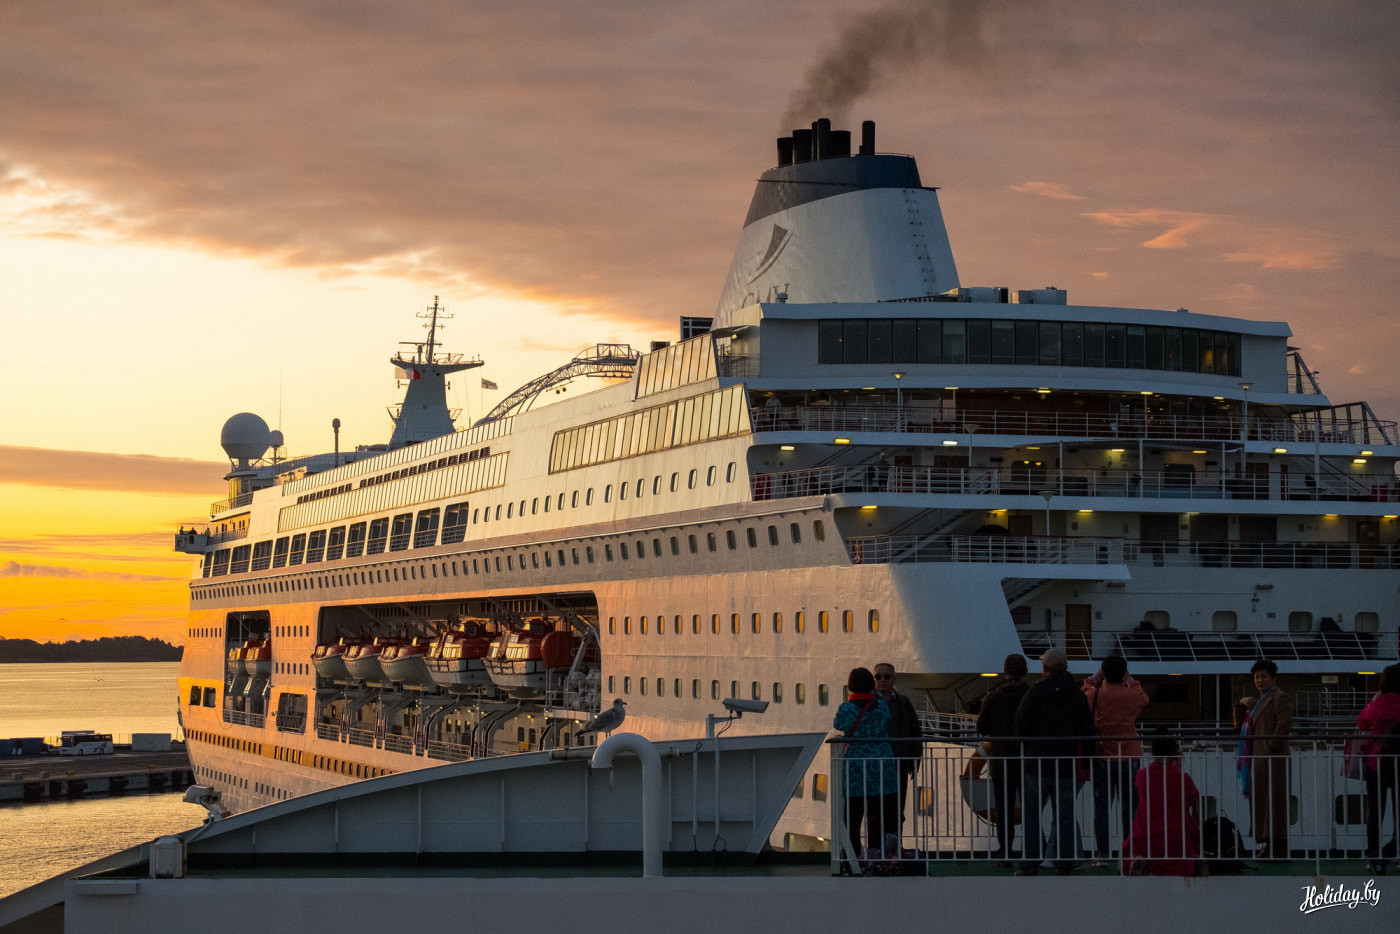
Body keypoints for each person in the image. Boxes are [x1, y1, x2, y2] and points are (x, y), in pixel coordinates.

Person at [1014, 649, 1095, 876]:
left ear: (1045, 668)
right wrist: (1086, 761)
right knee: (1065, 816)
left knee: (1032, 815)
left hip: (1037, 763)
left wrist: (1030, 745)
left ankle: (1029, 864)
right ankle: (1064, 863)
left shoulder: (1035, 692)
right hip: (1066, 764)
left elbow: (1021, 724)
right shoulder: (1077, 695)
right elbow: (1088, 729)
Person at [1082, 654, 1149, 866]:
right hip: (1129, 756)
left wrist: (1095, 676)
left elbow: (1084, 691)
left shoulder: (1095, 694)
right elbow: (1144, 698)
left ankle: (1102, 853)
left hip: (1102, 756)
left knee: (1101, 807)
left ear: (1104, 673)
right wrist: (1130, 679)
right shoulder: (1132, 695)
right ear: (1123, 673)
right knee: (1131, 807)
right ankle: (1130, 852)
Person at [833, 666, 897, 867]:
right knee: (877, 813)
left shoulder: (846, 709)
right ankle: (876, 855)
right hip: (882, 764)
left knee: (853, 814)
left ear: (851, 685)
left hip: (856, 765)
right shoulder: (881, 706)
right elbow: (887, 721)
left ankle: (852, 856)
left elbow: (839, 724)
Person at [1234, 658, 1293, 860]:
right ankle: (1267, 842)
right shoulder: (1258, 702)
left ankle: (1277, 845)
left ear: (1273, 678)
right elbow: (1242, 724)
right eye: (1257, 677)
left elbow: (1284, 724)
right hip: (1259, 759)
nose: (1260, 680)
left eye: (1264, 676)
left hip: (1273, 759)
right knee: (1262, 801)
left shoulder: (1279, 697)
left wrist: (1271, 747)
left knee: (1274, 801)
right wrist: (1242, 705)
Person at [976, 653, 1030, 864]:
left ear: (1005, 671)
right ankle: (1032, 851)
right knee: (1030, 809)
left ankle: (1005, 851)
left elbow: (982, 727)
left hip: (1001, 760)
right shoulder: (1031, 695)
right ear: (1025, 671)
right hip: (1026, 760)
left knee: (1003, 810)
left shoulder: (993, 696)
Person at [1123, 736, 1200, 876]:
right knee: (1184, 861)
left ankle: (1139, 860)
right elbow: (1192, 797)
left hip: (1144, 838)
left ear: (1153, 753)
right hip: (1174, 841)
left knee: (1133, 848)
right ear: (1174, 753)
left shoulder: (1142, 776)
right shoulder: (1183, 779)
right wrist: (1178, 768)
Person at [1356, 663, 1400, 874]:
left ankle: (1374, 854)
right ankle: (1391, 852)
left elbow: (1362, 723)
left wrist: (1374, 701)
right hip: (1398, 761)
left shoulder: (1378, 704)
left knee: (1375, 811)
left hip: (1377, 762)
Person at [873, 662, 921, 841]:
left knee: (897, 808)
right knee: (876, 810)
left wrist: (914, 761)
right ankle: (876, 849)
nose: (882, 680)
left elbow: (915, 731)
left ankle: (895, 849)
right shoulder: (869, 702)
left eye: (886, 676)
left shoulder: (903, 702)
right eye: (878, 676)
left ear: (894, 679)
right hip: (876, 766)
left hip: (898, 763)